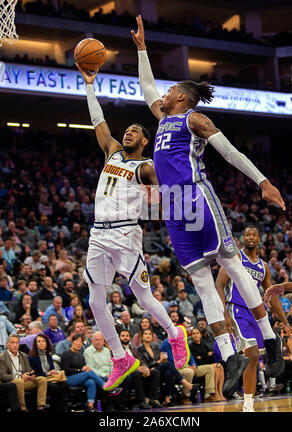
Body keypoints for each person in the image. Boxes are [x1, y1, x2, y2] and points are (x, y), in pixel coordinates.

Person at [132, 14, 285, 397]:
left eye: (169, 92)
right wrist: (142, 49)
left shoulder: (193, 118)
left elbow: (230, 153)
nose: (162, 96)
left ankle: (269, 338)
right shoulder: (163, 116)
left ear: (182, 97)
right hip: (172, 205)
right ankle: (230, 353)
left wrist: (263, 181)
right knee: (202, 282)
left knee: (233, 266)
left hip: (197, 196)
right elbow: (147, 86)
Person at [76, 61, 190, 392]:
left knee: (142, 295)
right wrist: (89, 86)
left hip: (127, 233)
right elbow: (98, 121)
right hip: (98, 234)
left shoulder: (146, 166)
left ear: (144, 141)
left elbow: (167, 186)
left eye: (136, 130)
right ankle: (120, 357)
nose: (128, 131)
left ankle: (173, 332)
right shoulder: (112, 151)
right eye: (127, 129)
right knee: (96, 300)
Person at [215, 225, 289, 411]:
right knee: (252, 354)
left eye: (254, 234)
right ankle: (247, 404)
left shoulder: (264, 267)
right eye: (247, 234)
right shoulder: (235, 258)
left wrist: (285, 321)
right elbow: (219, 284)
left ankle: (249, 402)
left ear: (259, 240)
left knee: (255, 359)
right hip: (237, 309)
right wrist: (224, 313)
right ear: (242, 238)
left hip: (256, 314)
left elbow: (271, 296)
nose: (250, 237)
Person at [60, 334, 122, 411]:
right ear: (72, 342)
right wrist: (80, 370)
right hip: (68, 378)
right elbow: (65, 370)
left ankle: (90, 406)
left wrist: (83, 369)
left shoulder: (80, 356)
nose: (79, 343)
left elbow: (83, 368)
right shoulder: (66, 354)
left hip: (80, 377)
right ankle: (107, 387)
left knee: (91, 382)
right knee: (89, 372)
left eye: (81, 342)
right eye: (77, 341)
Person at [138, 328, 193, 406]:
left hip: (158, 369)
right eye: (145, 334)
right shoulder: (140, 349)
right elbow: (144, 364)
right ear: (142, 337)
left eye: (150, 334)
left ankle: (167, 399)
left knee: (169, 373)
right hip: (149, 370)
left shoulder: (156, 347)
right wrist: (159, 362)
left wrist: (161, 361)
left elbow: (161, 359)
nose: (148, 336)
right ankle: (185, 383)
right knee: (167, 364)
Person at [0, 334, 47, 411]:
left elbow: (28, 370)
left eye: (17, 343)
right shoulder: (2, 357)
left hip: (25, 381)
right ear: (7, 344)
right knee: (19, 381)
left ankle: (41, 407)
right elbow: (3, 376)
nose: (15, 345)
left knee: (42, 379)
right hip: (12, 382)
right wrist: (21, 376)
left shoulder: (23, 355)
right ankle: (23, 408)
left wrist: (31, 374)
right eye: (12, 343)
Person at [28, 333, 69, 412]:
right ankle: (53, 409)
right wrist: (46, 374)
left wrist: (54, 372)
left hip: (50, 379)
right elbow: (33, 373)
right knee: (54, 388)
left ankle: (61, 408)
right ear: (35, 344)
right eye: (39, 341)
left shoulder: (48, 355)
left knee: (64, 385)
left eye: (43, 341)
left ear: (46, 343)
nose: (41, 343)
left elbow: (51, 369)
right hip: (39, 380)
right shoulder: (31, 357)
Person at [119, 329, 159, 409]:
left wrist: (146, 368)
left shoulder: (134, 348)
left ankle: (152, 399)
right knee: (136, 373)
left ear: (130, 337)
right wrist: (136, 368)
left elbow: (142, 360)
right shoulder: (117, 350)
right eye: (123, 336)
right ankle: (142, 401)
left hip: (139, 370)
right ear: (119, 338)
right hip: (127, 372)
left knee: (155, 372)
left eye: (127, 336)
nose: (125, 337)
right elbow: (121, 364)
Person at [189, 327, 225, 402]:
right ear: (191, 336)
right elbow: (198, 361)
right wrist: (206, 356)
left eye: (197, 333)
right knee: (215, 366)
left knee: (219, 366)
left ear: (201, 335)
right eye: (193, 334)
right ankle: (215, 392)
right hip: (199, 367)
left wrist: (203, 356)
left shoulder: (204, 344)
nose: (195, 335)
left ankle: (220, 392)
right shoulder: (191, 346)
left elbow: (210, 357)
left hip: (207, 365)